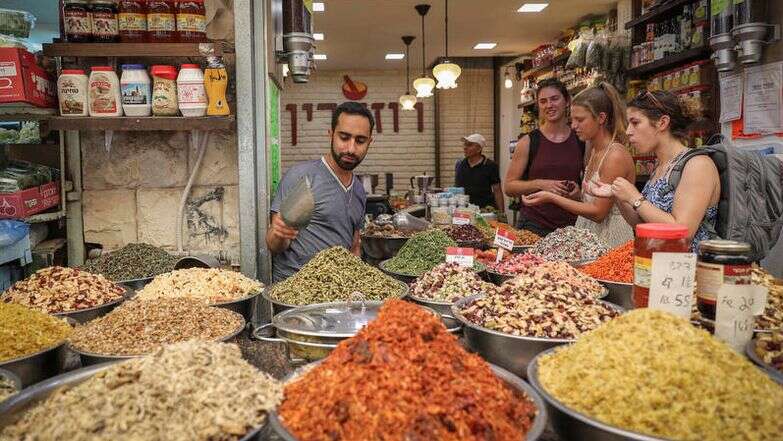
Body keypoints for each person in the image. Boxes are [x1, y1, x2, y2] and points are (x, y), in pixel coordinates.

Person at [266, 102, 374, 282]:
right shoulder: (302, 177)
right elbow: (274, 244)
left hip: (337, 293)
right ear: (331, 135)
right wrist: (279, 233)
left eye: (360, 141)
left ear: (369, 142)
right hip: (296, 291)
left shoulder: (359, 191)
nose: (351, 148)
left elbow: (354, 247)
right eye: (344, 137)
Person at [521, 82, 635, 247]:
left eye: (580, 120)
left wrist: (552, 197)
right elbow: (594, 201)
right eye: (572, 119)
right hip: (590, 237)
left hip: (611, 241)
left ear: (601, 118)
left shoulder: (615, 155)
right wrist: (578, 195)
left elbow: (598, 213)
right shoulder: (593, 150)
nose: (573, 126)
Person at [607, 90, 720, 251]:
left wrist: (634, 197)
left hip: (690, 271)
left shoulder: (698, 165)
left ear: (662, 123)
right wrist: (618, 196)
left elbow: (683, 232)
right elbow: (643, 222)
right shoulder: (661, 167)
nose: (628, 131)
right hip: (658, 267)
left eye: (636, 123)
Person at [504, 78, 585, 237]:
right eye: (543, 101)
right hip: (534, 225)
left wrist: (579, 193)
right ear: (538, 106)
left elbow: (590, 185)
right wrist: (541, 184)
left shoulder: (581, 140)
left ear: (567, 101)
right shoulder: (528, 142)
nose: (549, 105)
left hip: (573, 226)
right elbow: (509, 187)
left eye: (555, 99)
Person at [455, 133, 504, 210]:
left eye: (469, 145)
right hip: (464, 210)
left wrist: (501, 213)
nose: (465, 148)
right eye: (465, 145)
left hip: (484, 210)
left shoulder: (490, 165)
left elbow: (497, 191)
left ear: (479, 149)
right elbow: (457, 188)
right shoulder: (460, 164)